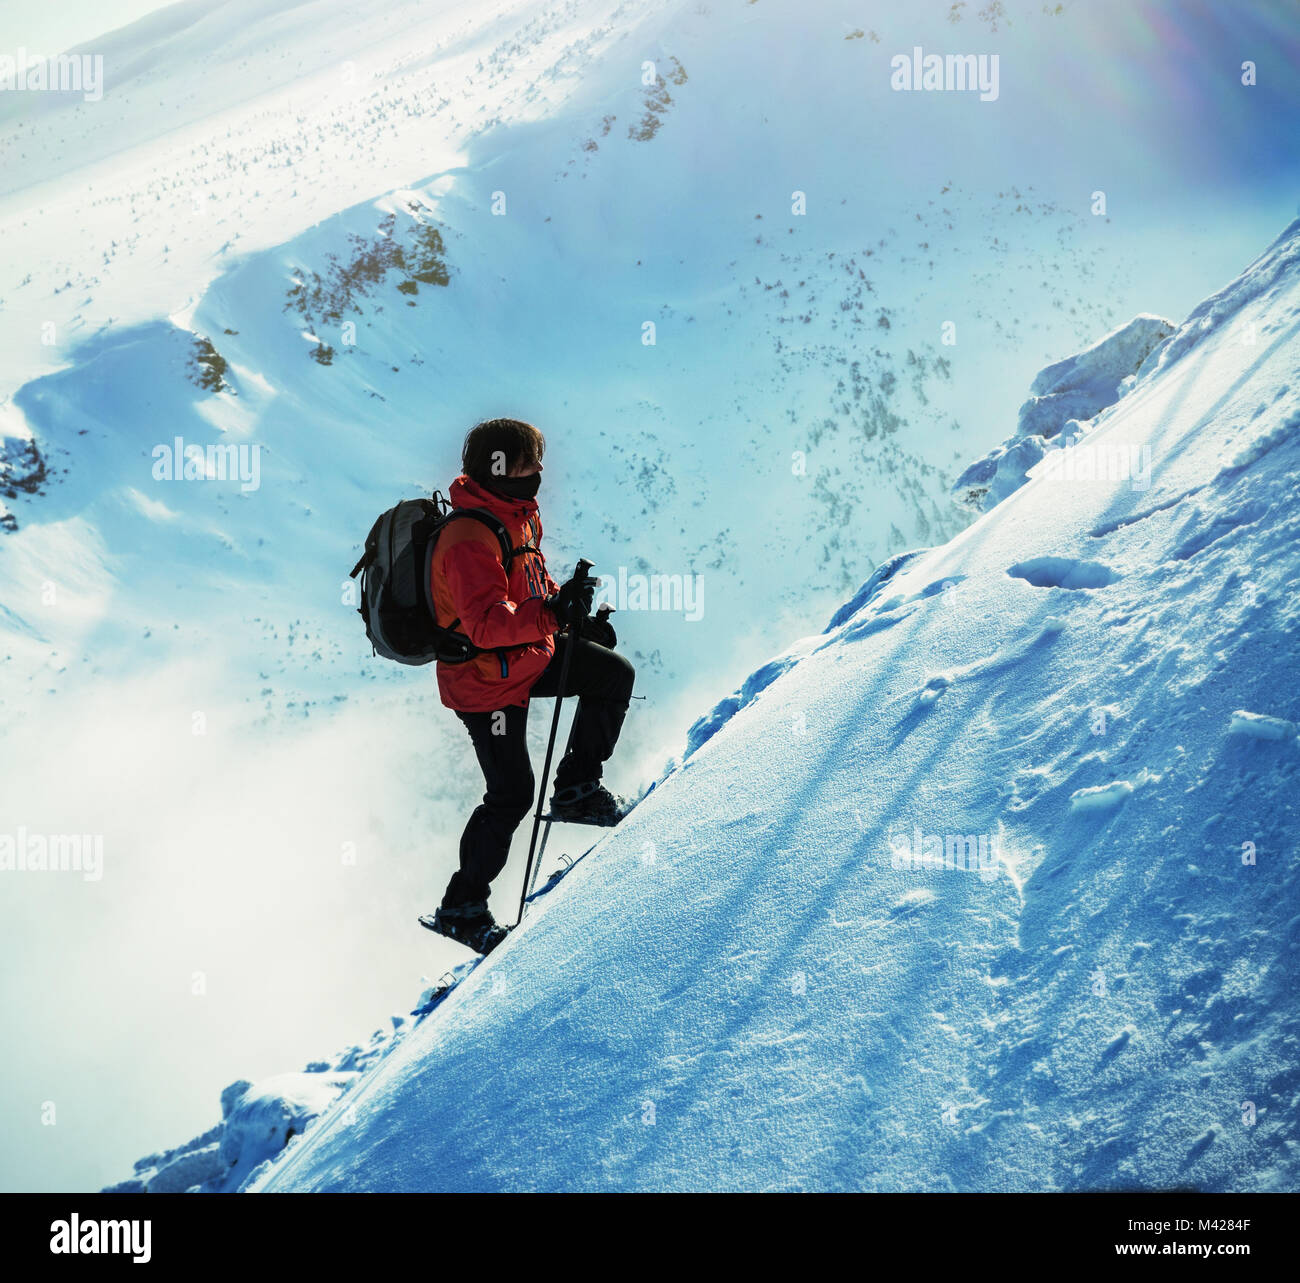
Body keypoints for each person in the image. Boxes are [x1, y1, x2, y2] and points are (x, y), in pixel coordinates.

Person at [424, 418, 636, 953]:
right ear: (501, 467)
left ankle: (577, 790)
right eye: (529, 464)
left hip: (525, 656)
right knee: (512, 794)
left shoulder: (516, 514)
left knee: (612, 673)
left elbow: (527, 590)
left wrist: (570, 619)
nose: (539, 472)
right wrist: (552, 615)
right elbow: (487, 624)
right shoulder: (469, 537)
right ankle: (461, 906)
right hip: (483, 682)